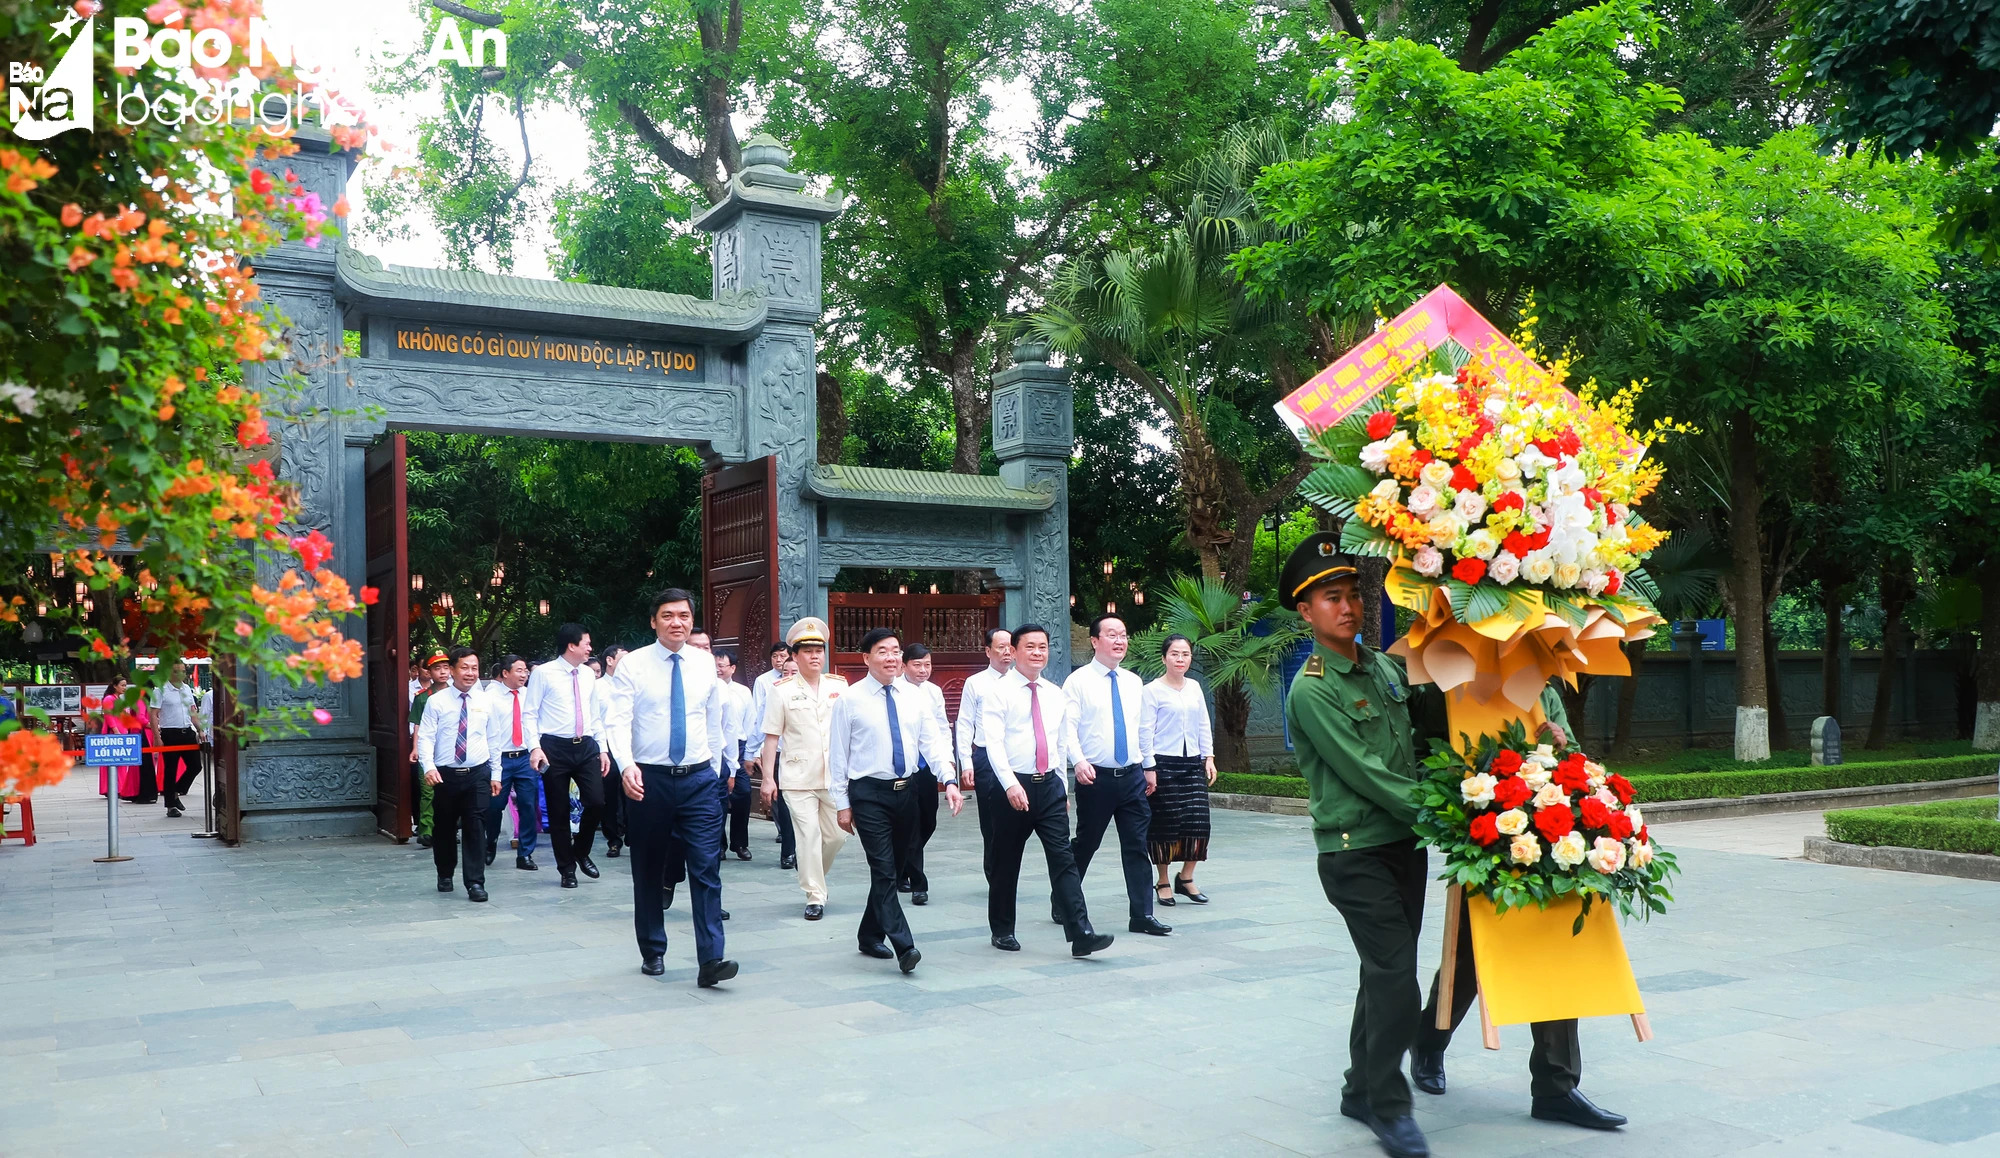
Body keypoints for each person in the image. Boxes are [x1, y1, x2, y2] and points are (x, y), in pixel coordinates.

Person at [1411, 681, 1626, 1131]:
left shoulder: (1541, 687)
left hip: (1547, 837)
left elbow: (1575, 758)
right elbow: (1423, 757)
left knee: (1554, 952)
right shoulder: (1446, 687)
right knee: (1471, 959)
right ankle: (1429, 1040)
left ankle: (1556, 1087)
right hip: (1482, 835)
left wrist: (1564, 748)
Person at [1280, 533, 1432, 1158]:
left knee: (1383, 974)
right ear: (1306, 613)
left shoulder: (1386, 668)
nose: (1346, 608)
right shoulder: (1312, 689)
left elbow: (1429, 730)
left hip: (1404, 846)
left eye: (1352, 596)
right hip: (1354, 853)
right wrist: (1441, 812)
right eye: (1330, 599)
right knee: (1399, 979)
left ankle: (1355, 1086)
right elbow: (1367, 770)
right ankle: (1386, 1105)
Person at [602, 588, 737, 986]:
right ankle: (653, 949)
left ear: (692, 620)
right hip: (650, 780)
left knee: (706, 868)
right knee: (648, 867)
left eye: (683, 615)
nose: (676, 622)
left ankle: (712, 958)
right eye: (667, 615)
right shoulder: (634, 666)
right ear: (654, 621)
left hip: (698, 779)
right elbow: (618, 721)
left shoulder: (703, 664)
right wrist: (626, 766)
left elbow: (712, 720)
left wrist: (715, 766)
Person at [976, 623, 1115, 958]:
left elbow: (1060, 742)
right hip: (1012, 786)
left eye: (1043, 647)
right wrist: (1010, 784)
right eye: (1030, 647)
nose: (1037, 653)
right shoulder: (997, 692)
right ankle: (1003, 929)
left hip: (1048, 786)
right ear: (1013, 650)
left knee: (1063, 859)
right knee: (1006, 861)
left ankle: (1081, 932)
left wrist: (1062, 787)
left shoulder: (1054, 693)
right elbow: (992, 744)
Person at [828, 628, 962, 972]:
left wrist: (948, 778)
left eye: (895, 651)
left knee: (897, 866)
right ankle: (904, 945)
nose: (891, 658)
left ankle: (868, 934)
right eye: (883, 651)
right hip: (868, 794)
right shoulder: (850, 699)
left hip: (908, 791)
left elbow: (931, 741)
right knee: (884, 870)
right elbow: (838, 757)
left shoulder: (915, 697)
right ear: (866, 658)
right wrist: (842, 803)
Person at [1063, 614, 1169, 937]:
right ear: (1095, 641)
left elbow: (1142, 729)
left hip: (1133, 776)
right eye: (1111, 635)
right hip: (1095, 778)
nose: (1119, 640)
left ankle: (1142, 915)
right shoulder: (1077, 682)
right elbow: (1067, 727)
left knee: (1137, 845)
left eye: (1123, 634)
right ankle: (1063, 897)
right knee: (1086, 843)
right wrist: (1078, 762)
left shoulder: (1133, 682)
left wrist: (1148, 766)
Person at [760, 618, 848, 921]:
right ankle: (815, 895)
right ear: (794, 657)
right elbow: (771, 739)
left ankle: (810, 870)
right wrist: (768, 779)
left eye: (819, 650)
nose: (814, 656)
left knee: (836, 837)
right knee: (808, 836)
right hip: (797, 779)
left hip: (834, 778)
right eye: (807, 651)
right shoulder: (781, 691)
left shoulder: (840, 686)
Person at [413, 647, 506, 903]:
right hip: (445, 775)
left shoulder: (486, 701)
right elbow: (426, 736)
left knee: (476, 827)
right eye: (464, 667)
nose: (470, 673)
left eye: (474, 668)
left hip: (478, 773)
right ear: (452, 669)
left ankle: (475, 882)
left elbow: (494, 739)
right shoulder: (436, 701)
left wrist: (496, 773)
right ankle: (445, 873)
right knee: (444, 827)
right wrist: (428, 767)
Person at [524, 624, 609, 889]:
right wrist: (534, 747)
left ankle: (581, 850)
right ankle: (567, 869)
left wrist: (603, 748)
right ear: (571, 645)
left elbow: (595, 713)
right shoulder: (544, 674)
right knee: (559, 811)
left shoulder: (587, 675)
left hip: (585, 746)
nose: (590, 648)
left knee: (597, 801)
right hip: (554, 748)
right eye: (586, 643)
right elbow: (530, 713)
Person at [1142, 634, 1216, 907]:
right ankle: (1162, 880)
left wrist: (1208, 756)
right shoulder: (1151, 690)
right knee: (1165, 824)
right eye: (1175, 654)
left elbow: (1202, 724)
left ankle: (1186, 877)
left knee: (1199, 822)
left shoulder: (1195, 687)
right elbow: (1145, 732)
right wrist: (1148, 766)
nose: (1180, 659)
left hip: (1192, 762)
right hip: (1163, 764)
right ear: (1164, 658)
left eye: (1185, 654)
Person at [896, 642, 950, 903]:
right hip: (904, 767)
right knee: (913, 824)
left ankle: (902, 865)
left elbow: (941, 728)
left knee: (929, 820)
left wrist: (948, 764)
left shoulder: (934, 692)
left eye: (927, 664)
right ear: (904, 665)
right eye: (917, 665)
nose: (923, 670)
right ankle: (918, 883)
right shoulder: (894, 690)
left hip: (928, 765)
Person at [483, 655, 542, 871]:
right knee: (494, 806)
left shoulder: (529, 695)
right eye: (519, 670)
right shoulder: (490, 696)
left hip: (525, 757)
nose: (524, 674)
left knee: (528, 805)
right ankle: (490, 844)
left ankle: (525, 854)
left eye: (525, 670)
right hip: (500, 759)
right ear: (505, 673)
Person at [955, 628, 1012, 845]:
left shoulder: (1021, 681)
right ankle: (995, 874)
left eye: (1010, 647)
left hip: (1015, 755)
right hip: (986, 757)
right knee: (991, 823)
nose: (1007, 652)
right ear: (988, 651)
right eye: (1001, 647)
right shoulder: (975, 682)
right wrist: (967, 763)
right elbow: (965, 724)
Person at [746, 643, 799, 869]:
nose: (787, 676)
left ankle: (809, 851)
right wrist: (752, 752)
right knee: (785, 805)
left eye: (793, 673)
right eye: (784, 672)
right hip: (781, 755)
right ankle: (788, 851)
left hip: (811, 758)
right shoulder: (774, 692)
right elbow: (761, 724)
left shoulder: (821, 692)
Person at [715, 649, 757, 861]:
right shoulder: (709, 688)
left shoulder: (743, 692)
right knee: (717, 799)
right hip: (714, 749)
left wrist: (751, 753)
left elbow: (750, 723)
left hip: (738, 749)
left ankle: (739, 843)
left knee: (743, 795)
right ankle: (718, 845)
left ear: (732, 668)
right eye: (716, 664)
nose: (718, 669)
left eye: (723, 665)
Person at [151, 662, 204, 818]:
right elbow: (153, 714)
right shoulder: (160, 690)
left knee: (195, 766)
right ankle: (170, 806)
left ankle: (175, 791)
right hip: (170, 733)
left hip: (187, 732)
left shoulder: (187, 689)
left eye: (183, 671)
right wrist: (157, 737)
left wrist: (200, 729)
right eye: (176, 671)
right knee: (171, 770)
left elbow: (193, 712)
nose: (180, 674)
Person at [409, 653, 451, 847]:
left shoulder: (458, 695)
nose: (442, 672)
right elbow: (417, 725)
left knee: (449, 792)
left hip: (451, 752)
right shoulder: (422, 698)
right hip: (429, 751)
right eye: (437, 668)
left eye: (445, 667)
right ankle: (426, 830)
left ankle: (450, 829)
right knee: (428, 791)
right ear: (429, 672)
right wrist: (415, 748)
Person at [93, 676, 155, 802]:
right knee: (113, 761)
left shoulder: (118, 699)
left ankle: (118, 787)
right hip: (114, 732)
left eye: (125, 685)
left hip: (121, 731)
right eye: (122, 685)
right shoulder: (109, 699)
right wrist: (115, 731)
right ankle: (111, 788)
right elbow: (109, 716)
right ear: (114, 686)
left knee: (121, 762)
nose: (124, 688)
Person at [597, 644, 630, 857]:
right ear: (610, 660)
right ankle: (613, 838)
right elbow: (595, 720)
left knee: (632, 790)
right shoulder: (597, 687)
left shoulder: (632, 684)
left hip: (630, 745)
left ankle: (634, 833)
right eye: (622, 658)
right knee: (608, 794)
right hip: (606, 746)